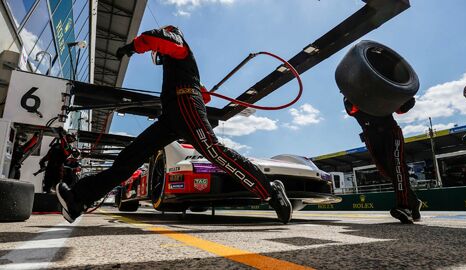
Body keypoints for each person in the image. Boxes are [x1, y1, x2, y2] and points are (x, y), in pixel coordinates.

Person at [56, 25, 292, 224]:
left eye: (157, 52)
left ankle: (270, 191)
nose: (156, 55)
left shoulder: (178, 44)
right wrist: (200, 91)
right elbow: (204, 95)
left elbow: (158, 38)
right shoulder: (180, 65)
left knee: (214, 152)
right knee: (130, 157)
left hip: (184, 108)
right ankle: (78, 199)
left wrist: (131, 48)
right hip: (172, 115)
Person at [344, 97, 422, 224]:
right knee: (387, 171)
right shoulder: (351, 94)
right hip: (371, 137)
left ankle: (405, 207)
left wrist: (405, 96)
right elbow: (352, 110)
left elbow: (402, 108)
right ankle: (413, 202)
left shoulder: (381, 90)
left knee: (397, 167)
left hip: (390, 132)